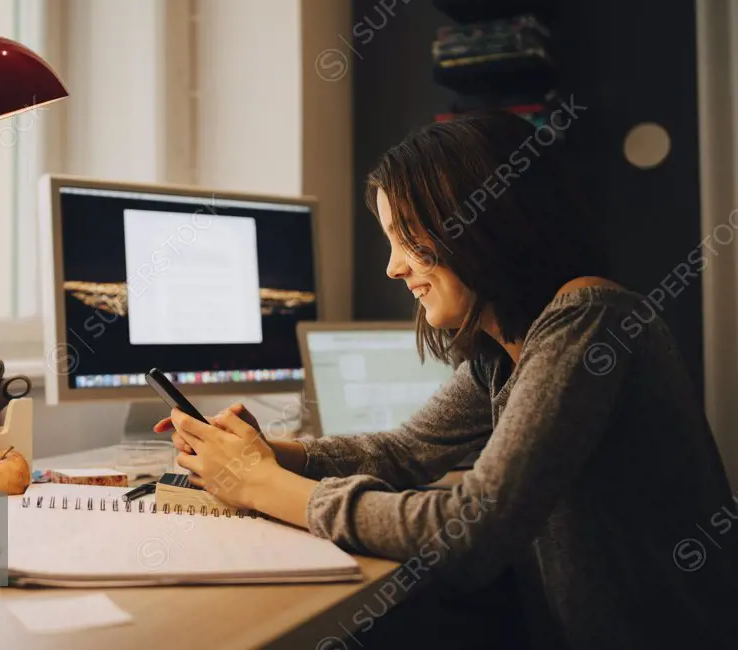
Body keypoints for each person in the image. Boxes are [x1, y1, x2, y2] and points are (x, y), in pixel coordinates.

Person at [154, 112, 738, 649]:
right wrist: (273, 455)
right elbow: (402, 452)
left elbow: (474, 530)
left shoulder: (589, 321)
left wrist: (263, 486)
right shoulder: (502, 353)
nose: (393, 265)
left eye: (408, 235)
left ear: (485, 222)